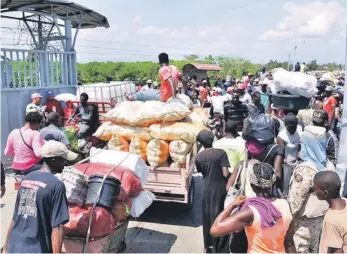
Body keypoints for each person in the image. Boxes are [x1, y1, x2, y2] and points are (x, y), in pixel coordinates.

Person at [2, 140, 77, 253]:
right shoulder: (56, 186)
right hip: (36, 249)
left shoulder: (26, 179)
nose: (65, 163)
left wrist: (6, 249)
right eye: (63, 159)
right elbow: (57, 227)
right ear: (53, 160)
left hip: (15, 246)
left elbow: (15, 218)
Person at [210, 163, 293, 253]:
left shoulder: (250, 212)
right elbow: (289, 243)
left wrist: (232, 205)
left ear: (252, 186)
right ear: (273, 183)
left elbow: (215, 230)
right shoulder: (285, 205)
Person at [286, 126, 334, 253]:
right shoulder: (328, 165)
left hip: (301, 226)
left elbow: (295, 203)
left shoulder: (305, 170)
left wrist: (285, 223)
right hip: (320, 222)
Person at [195, 130, 230, 253]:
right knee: (221, 214)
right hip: (220, 188)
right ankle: (220, 246)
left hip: (206, 189)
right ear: (212, 139)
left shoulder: (198, 157)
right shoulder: (221, 153)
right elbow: (225, 173)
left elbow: (201, 172)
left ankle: (208, 246)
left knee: (207, 216)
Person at [313, 171, 347, 253]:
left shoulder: (331, 220)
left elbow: (337, 251)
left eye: (315, 189)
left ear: (325, 193)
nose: (314, 192)